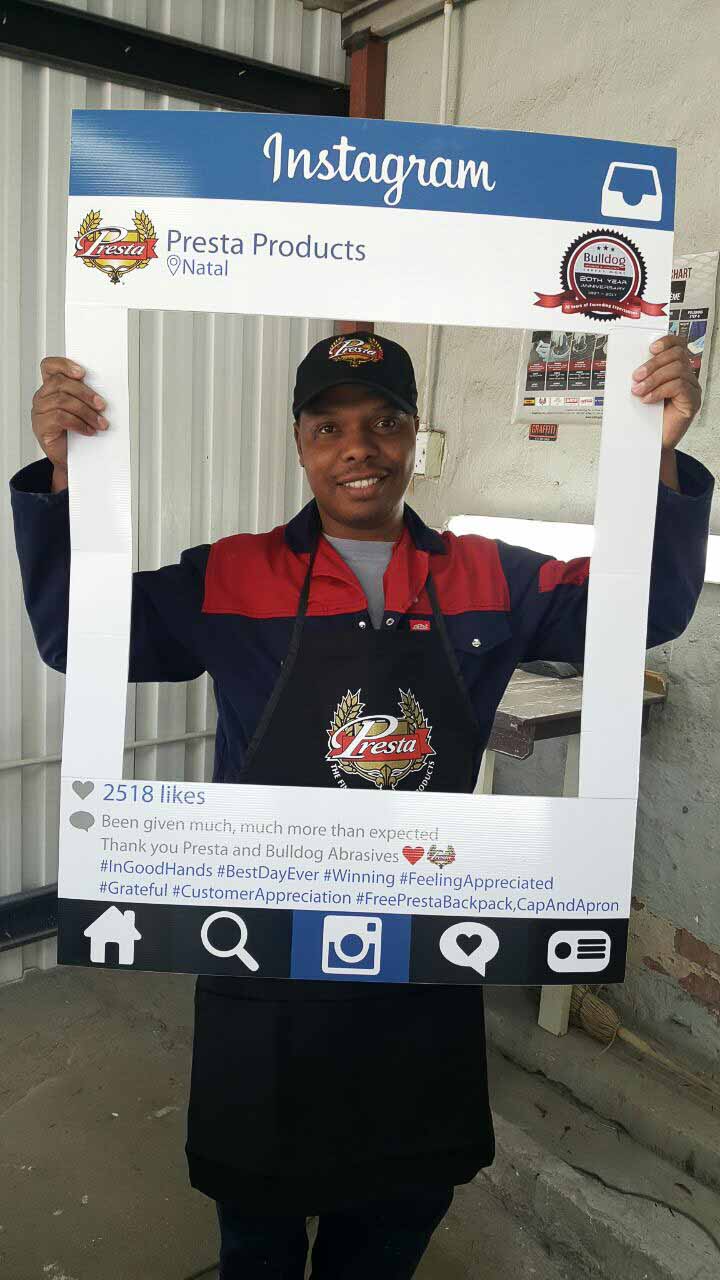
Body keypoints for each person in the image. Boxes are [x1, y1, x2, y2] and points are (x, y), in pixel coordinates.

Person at [11, 330, 712, 1279]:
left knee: (394, 1217)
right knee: (257, 1226)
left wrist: (653, 454)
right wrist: (67, 477)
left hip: (426, 953)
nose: (359, 448)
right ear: (300, 443)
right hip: (263, 954)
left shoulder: (492, 576)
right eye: (329, 427)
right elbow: (77, 633)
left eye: (384, 423)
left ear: (414, 435)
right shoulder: (232, 573)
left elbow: (645, 608)